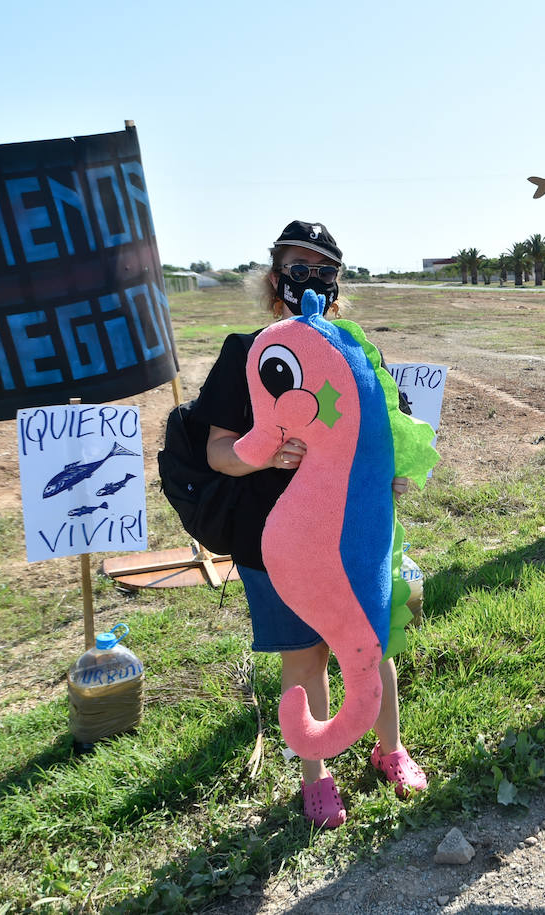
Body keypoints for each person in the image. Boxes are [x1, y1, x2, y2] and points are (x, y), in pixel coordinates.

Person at [194, 220, 425, 829]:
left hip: (355, 537)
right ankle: (316, 779)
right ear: (276, 279)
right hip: (276, 546)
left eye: (325, 271)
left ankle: (389, 748)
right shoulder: (247, 351)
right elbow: (217, 451)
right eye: (299, 270)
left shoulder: (353, 352)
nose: (312, 281)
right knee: (304, 659)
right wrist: (265, 453)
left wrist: (400, 474)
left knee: (369, 648)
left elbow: (392, 435)